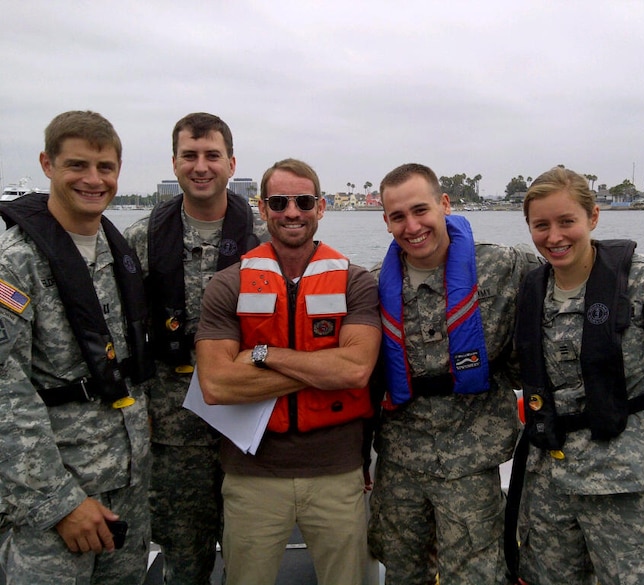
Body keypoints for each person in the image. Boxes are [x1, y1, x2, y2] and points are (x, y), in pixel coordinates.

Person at [366, 163, 644, 585]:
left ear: (444, 205)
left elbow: (574, 255)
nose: (412, 226)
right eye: (398, 216)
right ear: (386, 221)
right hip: (399, 458)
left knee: (478, 575)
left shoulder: (504, 265)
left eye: (420, 210)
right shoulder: (372, 285)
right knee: (402, 568)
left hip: (474, 457)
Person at [506, 166, 644, 585]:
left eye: (567, 221)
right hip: (549, 485)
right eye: (541, 225)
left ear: (593, 217)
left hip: (626, 484)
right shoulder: (530, 288)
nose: (554, 236)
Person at [194, 158, 381, 585]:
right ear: (262, 208)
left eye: (303, 201)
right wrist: (324, 367)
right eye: (279, 201)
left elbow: (355, 372)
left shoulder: (356, 282)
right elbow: (217, 383)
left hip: (337, 474)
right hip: (251, 478)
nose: (291, 211)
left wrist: (262, 353)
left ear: (321, 207)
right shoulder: (229, 284)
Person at [0, 110, 154, 584]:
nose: (93, 179)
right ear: (47, 164)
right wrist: (60, 502)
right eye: (77, 166)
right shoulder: (15, 266)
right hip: (55, 503)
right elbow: (6, 395)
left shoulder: (118, 250)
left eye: (105, 167)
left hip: (127, 486)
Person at [123, 112, 268, 585]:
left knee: (252, 555)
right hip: (173, 432)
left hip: (249, 427)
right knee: (185, 559)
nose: (200, 166)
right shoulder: (139, 240)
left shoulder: (264, 241)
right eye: (190, 155)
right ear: (174, 162)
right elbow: (120, 332)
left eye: (211, 156)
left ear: (231, 163)